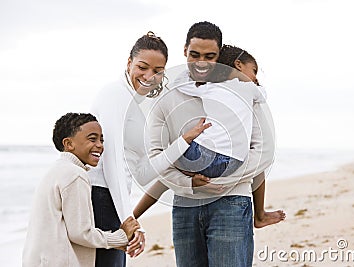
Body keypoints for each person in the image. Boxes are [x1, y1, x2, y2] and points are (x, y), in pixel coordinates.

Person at [128, 21, 275, 267]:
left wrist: (221, 180)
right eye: (194, 54)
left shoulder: (241, 92)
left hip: (231, 201)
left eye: (210, 56)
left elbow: (264, 152)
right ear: (184, 50)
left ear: (220, 56)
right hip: (185, 204)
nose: (202, 63)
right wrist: (188, 183)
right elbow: (156, 156)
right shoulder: (168, 96)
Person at [89, 31, 210, 266]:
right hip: (98, 199)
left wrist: (183, 141)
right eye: (142, 67)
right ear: (129, 63)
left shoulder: (136, 103)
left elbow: (142, 171)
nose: (148, 76)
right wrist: (129, 219)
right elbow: (112, 162)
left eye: (157, 71)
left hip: (113, 200)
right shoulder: (116, 95)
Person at [133, 44, 285, 228]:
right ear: (238, 65)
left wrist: (193, 181)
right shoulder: (243, 91)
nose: (255, 78)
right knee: (172, 161)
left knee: (172, 159)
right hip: (226, 159)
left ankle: (134, 215)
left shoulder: (210, 89)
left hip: (215, 166)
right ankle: (259, 214)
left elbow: (186, 86)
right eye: (254, 71)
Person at [22, 112, 139, 267]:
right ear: (69, 144)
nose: (100, 145)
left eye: (101, 139)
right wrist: (121, 237)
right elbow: (81, 233)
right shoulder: (76, 175)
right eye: (92, 139)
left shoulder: (57, 170)